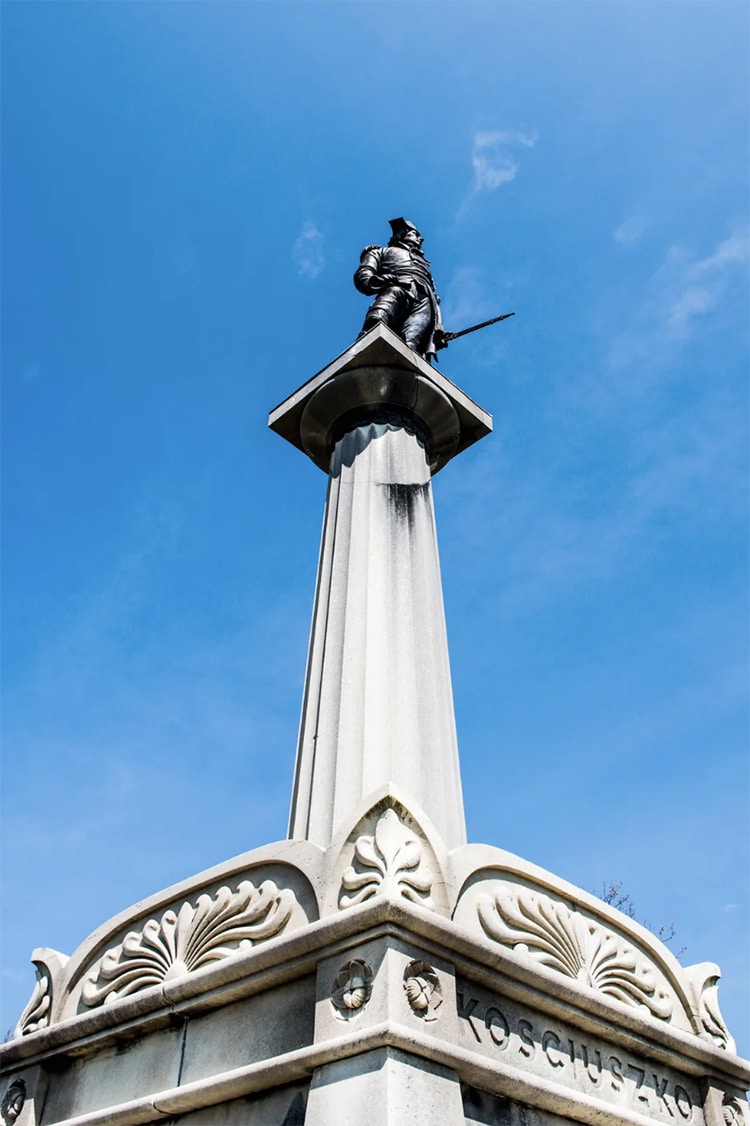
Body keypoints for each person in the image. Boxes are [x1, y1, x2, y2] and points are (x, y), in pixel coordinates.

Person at [354, 218, 446, 362]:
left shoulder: (424, 264)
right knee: (376, 323)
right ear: (403, 233)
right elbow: (364, 277)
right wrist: (388, 280)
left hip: (425, 300)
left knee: (413, 345)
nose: (420, 238)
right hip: (396, 289)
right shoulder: (380, 252)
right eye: (415, 233)